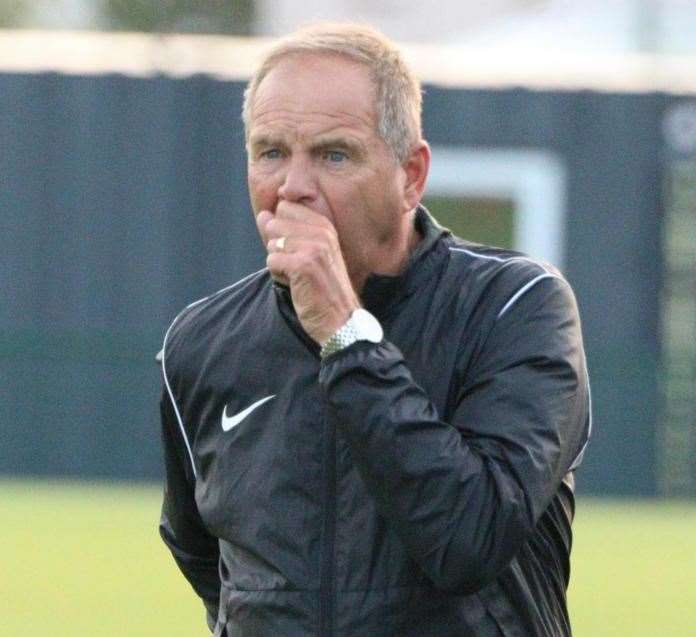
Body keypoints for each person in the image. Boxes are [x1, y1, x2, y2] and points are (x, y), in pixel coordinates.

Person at [158, 22, 591, 637]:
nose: (294, 188)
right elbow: (207, 556)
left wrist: (345, 333)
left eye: (334, 154)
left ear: (411, 175)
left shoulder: (513, 307)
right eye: (271, 152)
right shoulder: (202, 343)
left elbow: (468, 539)